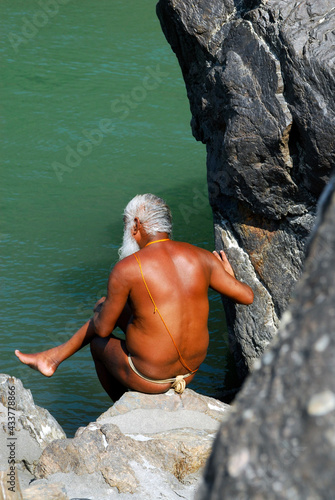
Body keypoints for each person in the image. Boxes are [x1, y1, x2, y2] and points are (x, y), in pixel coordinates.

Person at [15, 194, 253, 399]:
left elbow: (103, 330)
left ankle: (119, 405)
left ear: (137, 225)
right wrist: (226, 275)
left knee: (98, 340)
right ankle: (52, 358)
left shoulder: (127, 269)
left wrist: (100, 314)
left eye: (126, 224)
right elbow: (247, 296)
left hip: (151, 378)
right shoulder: (203, 257)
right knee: (107, 306)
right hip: (190, 372)